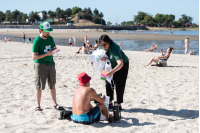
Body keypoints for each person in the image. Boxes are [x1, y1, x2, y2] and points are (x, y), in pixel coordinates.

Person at [32, 21, 64, 111]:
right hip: (40, 64)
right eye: (46, 31)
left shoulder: (50, 38)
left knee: (52, 84)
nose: (48, 33)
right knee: (39, 85)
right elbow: (34, 57)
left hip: (51, 63)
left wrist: (55, 51)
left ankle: (55, 104)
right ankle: (38, 106)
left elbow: (55, 48)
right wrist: (46, 54)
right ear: (40, 30)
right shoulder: (37, 41)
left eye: (49, 31)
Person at [99, 34, 129, 110]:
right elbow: (97, 55)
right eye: (101, 45)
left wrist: (112, 72)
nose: (103, 47)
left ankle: (119, 104)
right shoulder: (102, 46)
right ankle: (109, 103)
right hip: (110, 65)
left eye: (104, 45)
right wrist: (101, 58)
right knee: (108, 82)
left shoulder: (115, 48)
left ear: (109, 42)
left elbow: (121, 63)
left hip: (122, 65)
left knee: (119, 84)